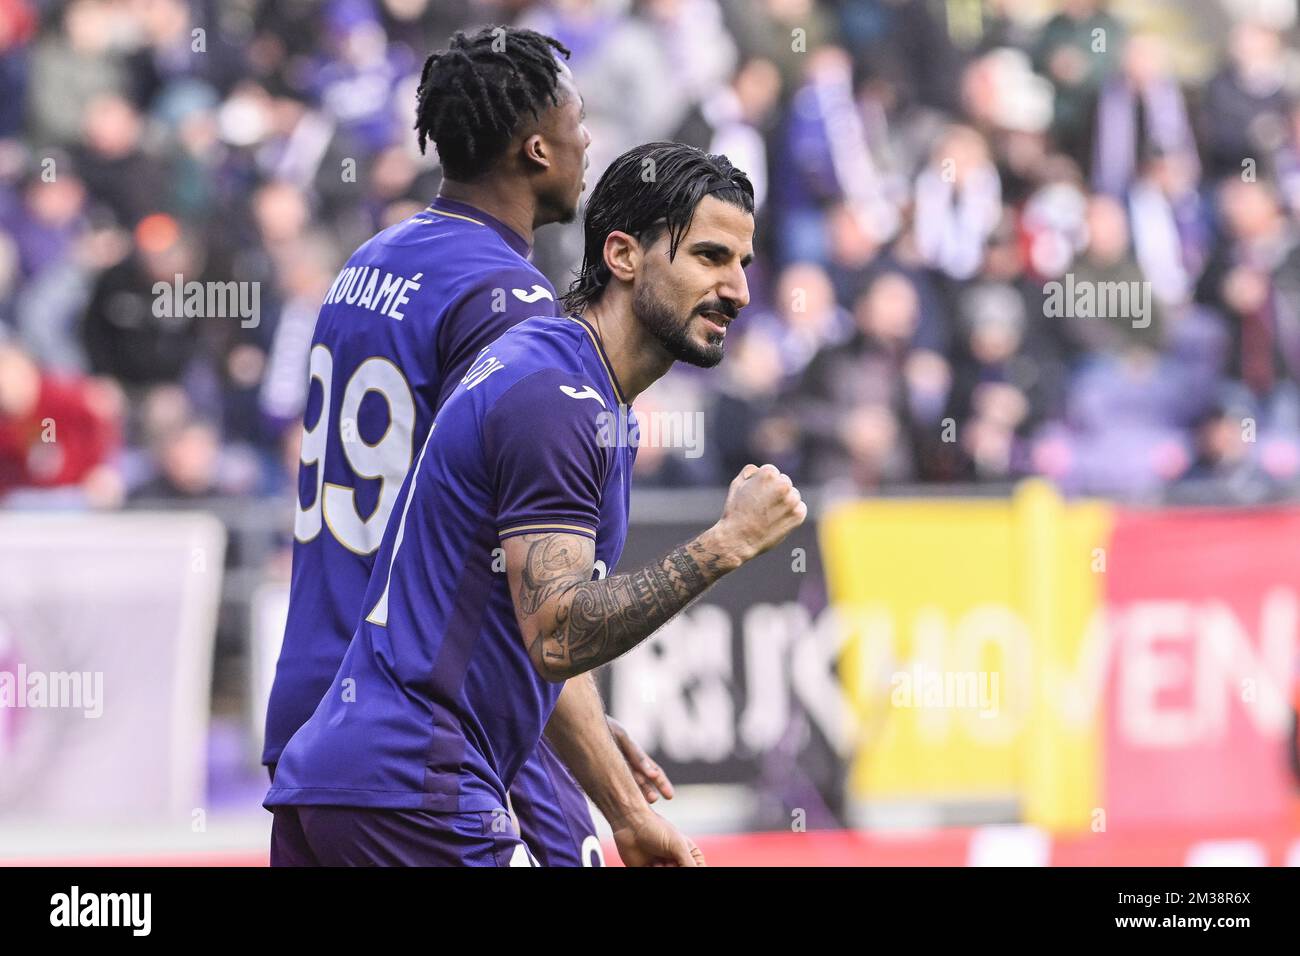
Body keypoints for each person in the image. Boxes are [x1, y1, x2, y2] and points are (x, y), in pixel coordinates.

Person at [264, 141, 806, 866]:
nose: (738, 290)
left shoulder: (563, 380)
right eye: (710, 257)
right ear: (622, 255)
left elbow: (528, 628)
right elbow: (558, 636)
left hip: (354, 779)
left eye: (743, 263)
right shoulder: (558, 398)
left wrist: (618, 797)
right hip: (417, 786)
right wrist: (725, 544)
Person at [262, 26, 668, 868]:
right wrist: (599, 774)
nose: (588, 141)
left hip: (317, 699)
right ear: (534, 146)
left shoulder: (369, 262)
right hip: (423, 713)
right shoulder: (507, 300)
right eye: (577, 120)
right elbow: (513, 571)